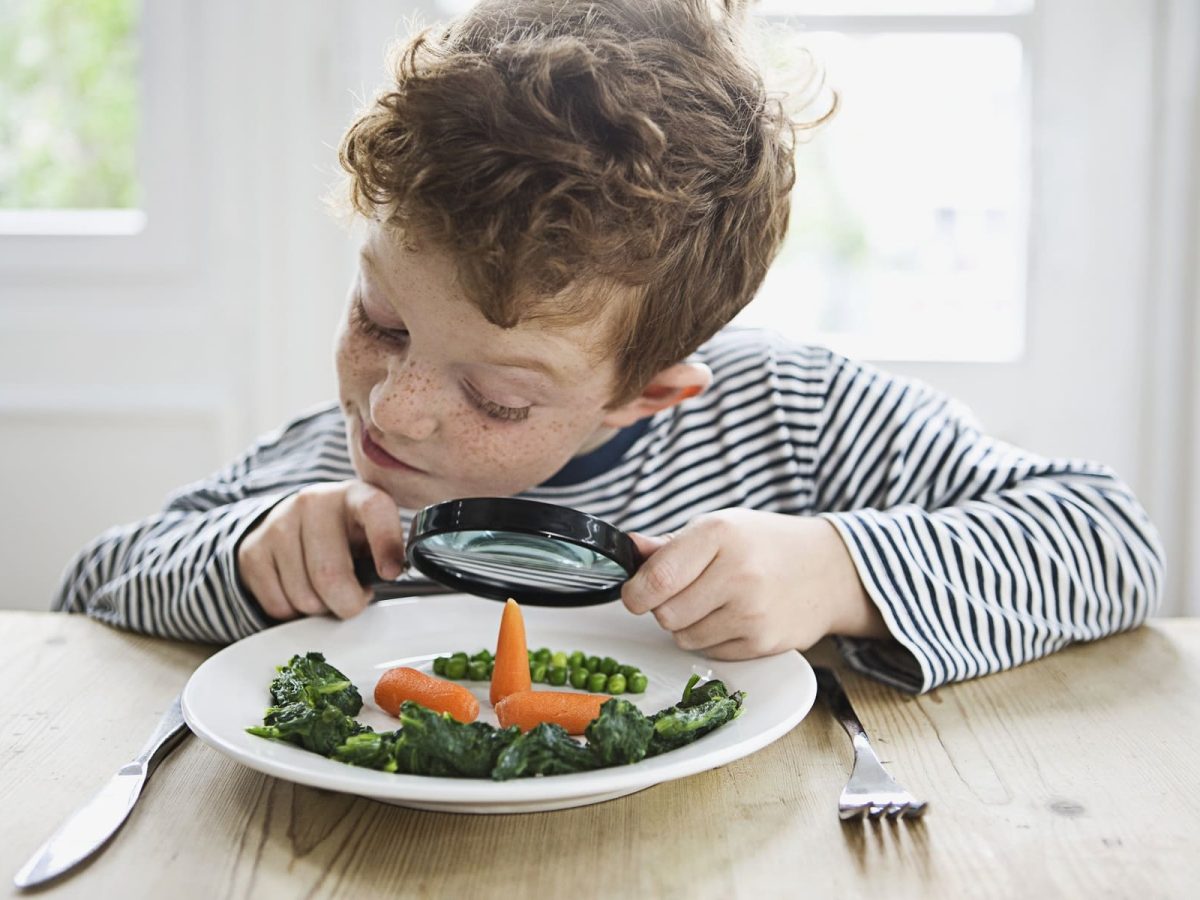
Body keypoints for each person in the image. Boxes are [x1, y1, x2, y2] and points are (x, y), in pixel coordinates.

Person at [54, 0, 1163, 693]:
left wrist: (838, 573)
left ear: (649, 394)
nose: (392, 410)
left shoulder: (795, 419)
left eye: (495, 397)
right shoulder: (338, 477)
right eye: (378, 324)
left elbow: (1111, 541)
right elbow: (93, 586)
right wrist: (245, 558)